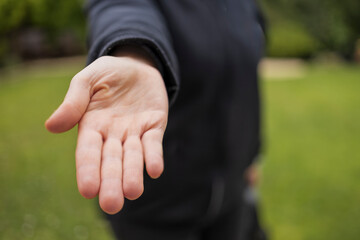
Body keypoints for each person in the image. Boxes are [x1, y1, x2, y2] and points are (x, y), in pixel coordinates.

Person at [45, 0, 266, 239]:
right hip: (158, 203)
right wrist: (134, 52)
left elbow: (245, 76)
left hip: (233, 194)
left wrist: (252, 153)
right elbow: (122, 7)